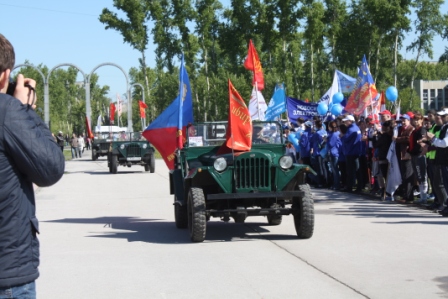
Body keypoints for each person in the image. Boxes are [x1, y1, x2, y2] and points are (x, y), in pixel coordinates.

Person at [0, 33, 65, 298]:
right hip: (8, 273)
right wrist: (25, 110)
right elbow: (50, 168)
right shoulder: (7, 111)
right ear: (5, 76)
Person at [394, 114, 415, 202]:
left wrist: (397, 139)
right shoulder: (400, 129)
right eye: (402, 121)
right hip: (401, 154)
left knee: (408, 175)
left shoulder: (411, 129)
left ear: (409, 121)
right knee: (403, 175)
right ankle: (405, 194)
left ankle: (409, 196)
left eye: (404, 120)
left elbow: (408, 139)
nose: (403, 122)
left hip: (407, 155)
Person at [340, 115, 362, 192]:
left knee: (350, 170)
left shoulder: (351, 129)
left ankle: (350, 187)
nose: (345, 122)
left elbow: (345, 139)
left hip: (351, 152)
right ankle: (358, 186)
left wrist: (342, 136)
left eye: (346, 121)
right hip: (355, 151)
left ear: (350, 121)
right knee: (356, 170)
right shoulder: (356, 128)